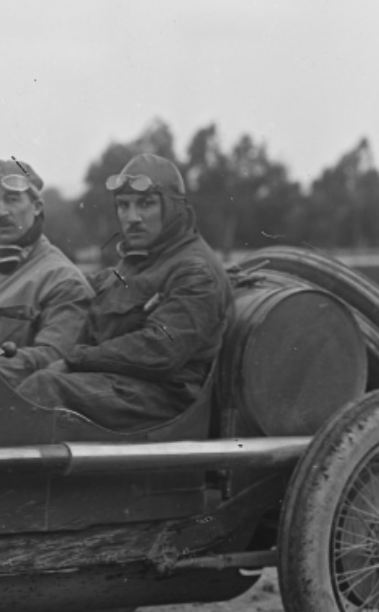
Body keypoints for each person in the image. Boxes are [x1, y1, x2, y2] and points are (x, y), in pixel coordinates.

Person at [16, 153, 231, 432]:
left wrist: (75, 361)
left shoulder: (194, 271)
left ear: (174, 208)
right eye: (123, 206)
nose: (132, 218)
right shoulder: (140, 261)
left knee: (44, 388)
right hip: (123, 385)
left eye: (146, 204)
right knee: (17, 372)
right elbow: (83, 287)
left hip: (163, 399)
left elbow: (160, 350)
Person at [0, 156, 92, 384]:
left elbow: (55, 358)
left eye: (12, 199)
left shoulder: (62, 280)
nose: (1, 212)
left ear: (37, 207)